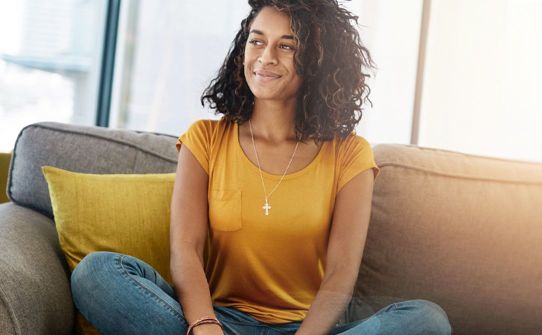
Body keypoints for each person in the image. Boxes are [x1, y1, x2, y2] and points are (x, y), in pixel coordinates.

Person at [69, 1, 451, 334]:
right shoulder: (205, 139)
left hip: (307, 329)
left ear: (317, 60)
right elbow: (185, 249)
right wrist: (204, 327)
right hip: (217, 323)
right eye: (257, 41)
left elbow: (340, 274)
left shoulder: (350, 155)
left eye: (286, 46)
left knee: (426, 320)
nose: (266, 57)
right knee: (96, 274)